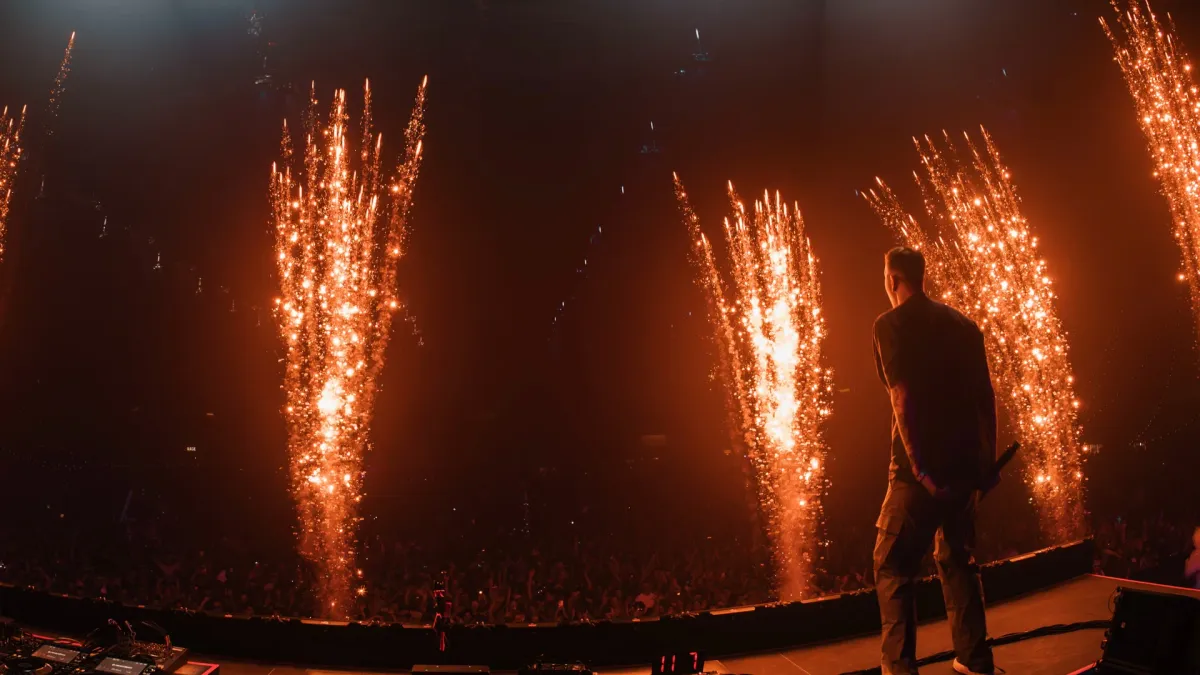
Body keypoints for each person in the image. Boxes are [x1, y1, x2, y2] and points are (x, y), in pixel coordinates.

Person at [871, 247, 997, 675]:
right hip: (964, 467)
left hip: (917, 475)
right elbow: (985, 399)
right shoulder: (964, 326)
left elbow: (902, 398)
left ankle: (899, 669)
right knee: (958, 558)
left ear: (893, 280)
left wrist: (920, 470)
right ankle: (975, 658)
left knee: (892, 564)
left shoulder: (889, 324)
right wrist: (985, 463)